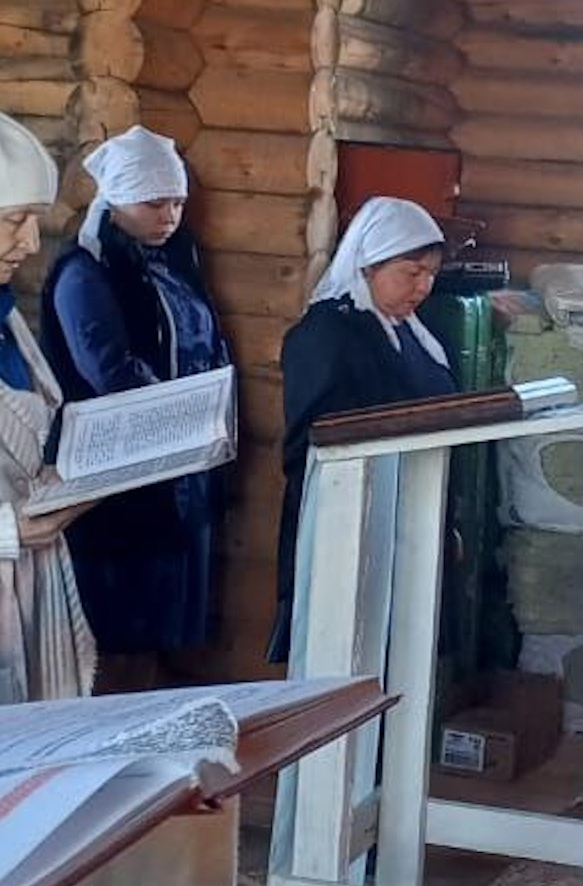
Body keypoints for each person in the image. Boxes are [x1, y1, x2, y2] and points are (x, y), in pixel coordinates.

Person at [40, 125, 230, 691]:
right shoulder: (85, 271)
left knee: (155, 633)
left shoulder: (174, 261)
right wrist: (180, 415)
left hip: (176, 471)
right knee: (113, 634)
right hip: (114, 478)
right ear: (119, 200)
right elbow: (109, 369)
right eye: (154, 203)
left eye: (177, 203)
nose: (169, 215)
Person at [268, 196, 458, 663]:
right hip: (348, 525)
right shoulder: (325, 335)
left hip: (412, 517)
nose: (424, 286)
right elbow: (310, 442)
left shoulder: (414, 333)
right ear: (369, 265)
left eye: (431, 274)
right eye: (411, 272)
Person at [0, 112, 96, 703]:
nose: (32, 243)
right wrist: (8, 528)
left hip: (26, 588)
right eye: (16, 220)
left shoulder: (5, 315)